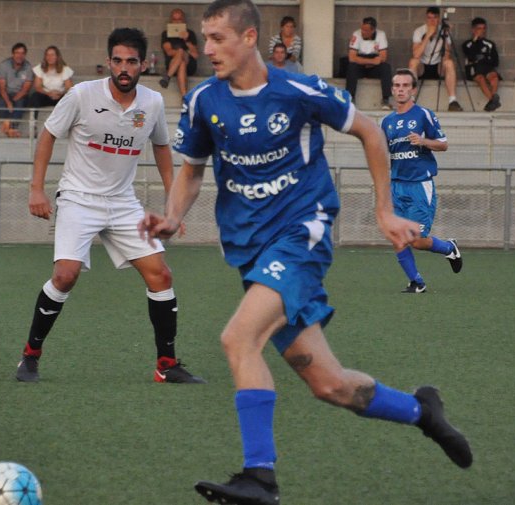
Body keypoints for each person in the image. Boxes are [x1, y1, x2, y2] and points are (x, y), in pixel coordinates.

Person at [139, 2, 473, 503]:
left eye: (216, 38)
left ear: (249, 37)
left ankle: (259, 476)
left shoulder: (297, 90)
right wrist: (171, 215)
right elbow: (192, 168)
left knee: (238, 339)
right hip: (253, 254)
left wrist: (383, 211)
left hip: (303, 234)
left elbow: (370, 130)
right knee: (330, 384)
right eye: (203, 39)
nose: (206, 49)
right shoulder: (204, 99)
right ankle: (423, 412)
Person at [16, 27, 205, 386]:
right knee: (65, 276)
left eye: (131, 62)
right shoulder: (82, 95)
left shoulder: (151, 103)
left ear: (144, 64)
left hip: (123, 203)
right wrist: (36, 189)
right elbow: (48, 135)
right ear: (108, 62)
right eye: (117, 60)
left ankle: (166, 365)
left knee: (161, 274)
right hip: (77, 198)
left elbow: (162, 148)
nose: (123, 67)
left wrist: (172, 205)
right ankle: (30, 357)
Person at [380, 69, 463, 294]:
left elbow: (443, 144)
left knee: (416, 241)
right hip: (396, 186)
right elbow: (383, 152)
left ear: (413, 90)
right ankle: (417, 282)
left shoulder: (423, 115)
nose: (400, 89)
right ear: (392, 90)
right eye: (397, 85)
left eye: (405, 85)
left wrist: (423, 141)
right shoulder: (386, 121)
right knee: (397, 236)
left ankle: (449, 247)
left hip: (419, 185)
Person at [409, 7, 463, 112]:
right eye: (429, 18)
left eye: (435, 18)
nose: (432, 21)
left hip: (438, 66)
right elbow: (416, 54)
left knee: (450, 63)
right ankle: (411, 99)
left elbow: (446, 56)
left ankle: (452, 101)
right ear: (426, 19)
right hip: (423, 66)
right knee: (413, 62)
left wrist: (445, 36)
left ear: (439, 19)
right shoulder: (419, 31)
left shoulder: (443, 31)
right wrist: (428, 35)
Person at [346, 16, 392, 110]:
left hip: (373, 66)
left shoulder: (381, 34)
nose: (363, 32)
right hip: (361, 63)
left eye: (366, 30)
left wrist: (373, 62)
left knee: (386, 68)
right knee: (351, 67)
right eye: (362, 29)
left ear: (373, 30)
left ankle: (386, 99)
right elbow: (352, 57)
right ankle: (350, 98)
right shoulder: (356, 34)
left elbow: (382, 57)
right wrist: (371, 61)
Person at [461, 17, 501, 112]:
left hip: (486, 68)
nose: (482, 31)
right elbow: (470, 56)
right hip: (473, 69)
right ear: (473, 30)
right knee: (480, 78)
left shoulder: (489, 44)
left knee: (494, 76)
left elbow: (496, 62)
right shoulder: (467, 44)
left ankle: (492, 102)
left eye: (484, 28)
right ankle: (493, 100)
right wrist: (475, 40)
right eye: (479, 28)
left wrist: (483, 60)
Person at [0, 42, 33, 138]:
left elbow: (25, 89)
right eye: (17, 53)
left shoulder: (28, 67)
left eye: (22, 53)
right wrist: (8, 102)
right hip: (5, 92)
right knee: (1, 102)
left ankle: (10, 126)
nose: (19, 56)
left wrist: (14, 101)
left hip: (19, 93)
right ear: (13, 54)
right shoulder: (4, 65)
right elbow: (1, 88)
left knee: (19, 103)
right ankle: (11, 129)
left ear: (25, 55)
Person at [159, 8, 199, 98]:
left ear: (184, 20)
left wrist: (187, 40)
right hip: (172, 64)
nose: (177, 22)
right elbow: (169, 52)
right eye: (174, 19)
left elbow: (195, 55)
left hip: (190, 65)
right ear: (171, 21)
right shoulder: (166, 34)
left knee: (182, 55)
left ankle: (167, 77)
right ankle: (184, 97)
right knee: (181, 62)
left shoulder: (190, 34)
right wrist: (180, 52)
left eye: (179, 19)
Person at [29, 45, 74, 111]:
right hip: (46, 95)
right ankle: (34, 120)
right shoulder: (40, 68)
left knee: (70, 98)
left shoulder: (65, 69)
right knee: (35, 97)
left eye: (52, 55)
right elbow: (38, 87)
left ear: (57, 57)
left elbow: (69, 87)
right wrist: (49, 93)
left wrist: (59, 93)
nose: (50, 57)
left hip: (60, 96)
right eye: (47, 55)